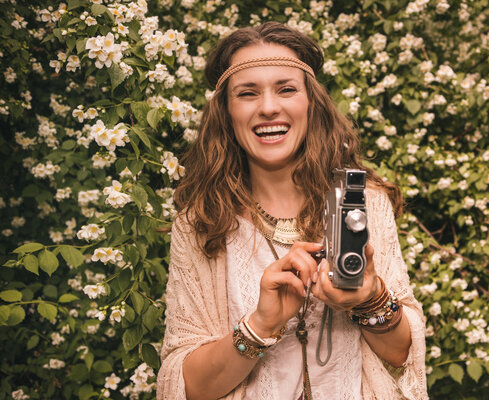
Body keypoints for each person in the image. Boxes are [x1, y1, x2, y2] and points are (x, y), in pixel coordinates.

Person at [157, 22, 427, 400]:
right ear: (227, 112)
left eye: (286, 89)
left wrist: (369, 298)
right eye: (247, 93)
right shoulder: (201, 223)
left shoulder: (363, 204)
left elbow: (401, 353)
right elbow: (189, 386)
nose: (269, 107)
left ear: (310, 102)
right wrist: (261, 324)